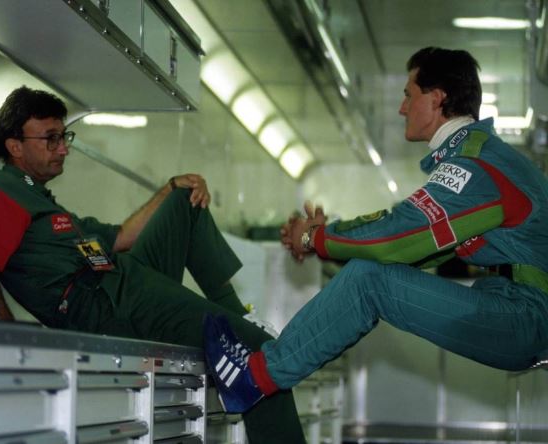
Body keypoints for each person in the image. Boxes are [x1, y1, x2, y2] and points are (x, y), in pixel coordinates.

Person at [203, 46, 548, 413]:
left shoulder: (475, 165)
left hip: (528, 316)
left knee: (370, 280)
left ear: (436, 98)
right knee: (373, 272)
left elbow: (397, 234)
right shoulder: (480, 157)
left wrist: (314, 237)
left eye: (408, 95)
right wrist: (327, 237)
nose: (401, 108)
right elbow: (409, 237)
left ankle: (252, 378)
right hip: (521, 309)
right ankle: (264, 367)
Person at [0, 86, 306, 443]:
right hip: (106, 303)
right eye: (51, 138)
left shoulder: (44, 203)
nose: (63, 148)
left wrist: (171, 187)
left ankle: (237, 315)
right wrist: (13, 347)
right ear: (15, 146)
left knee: (184, 198)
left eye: (64, 137)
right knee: (263, 355)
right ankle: (242, 330)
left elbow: (123, 236)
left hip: (122, 281)